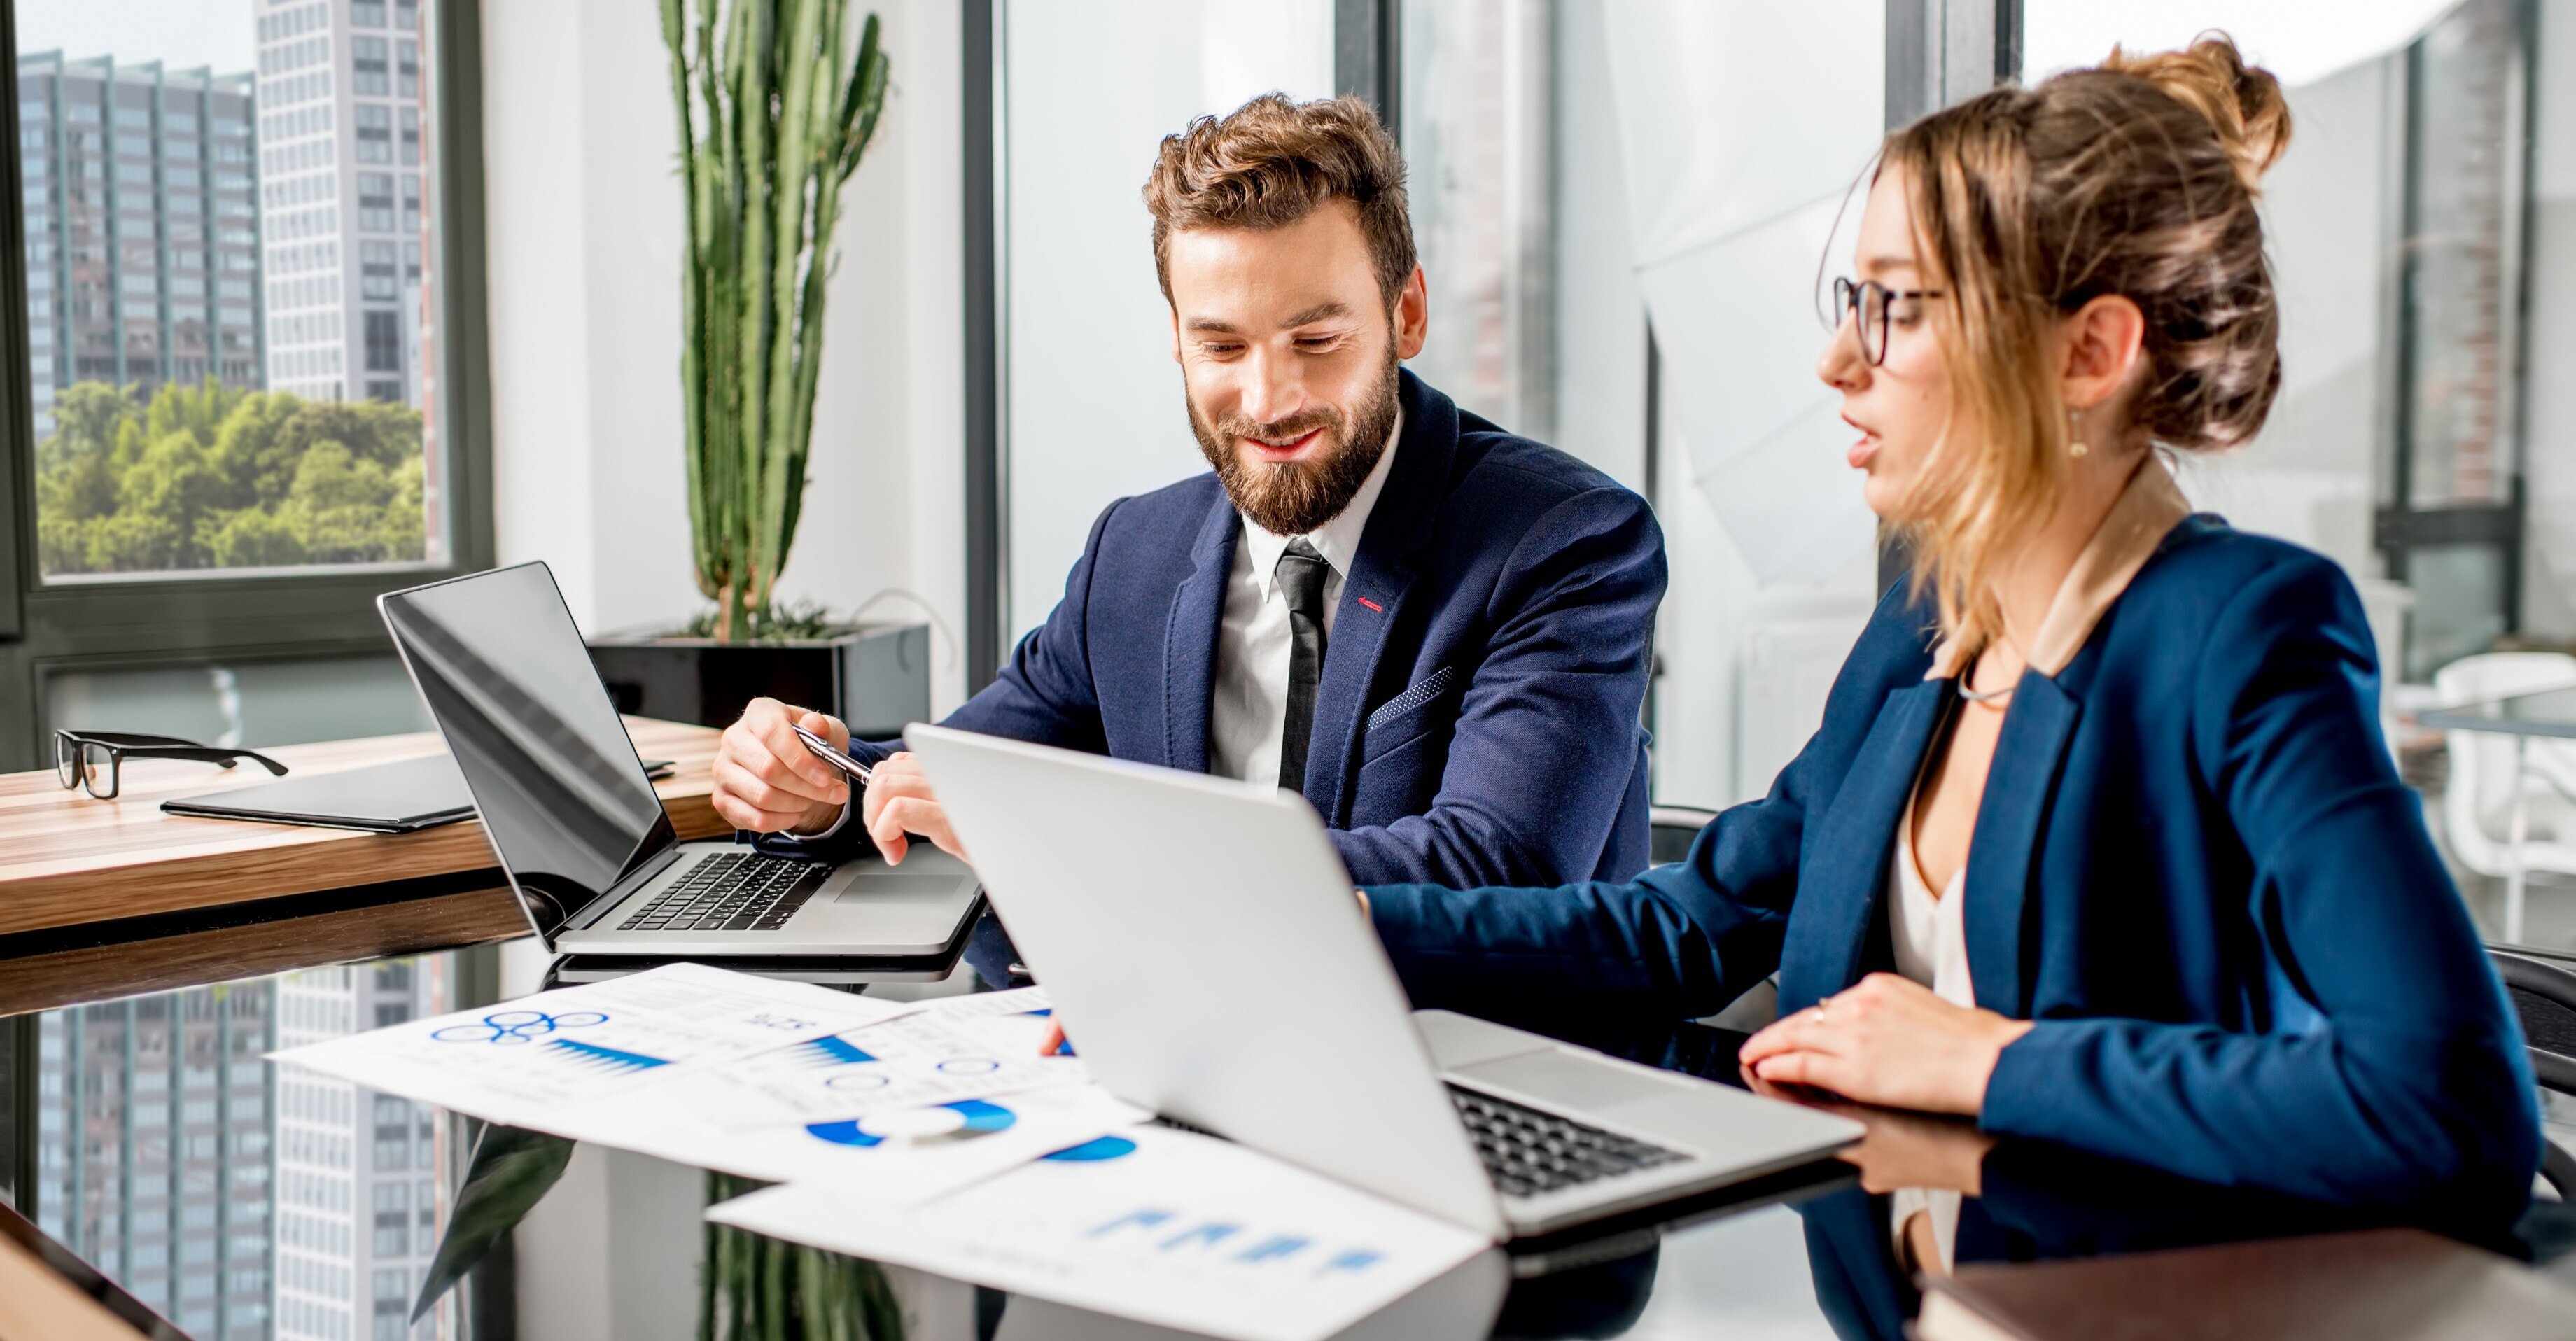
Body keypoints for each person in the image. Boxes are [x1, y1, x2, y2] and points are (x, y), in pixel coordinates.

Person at [1355, 36, 2540, 1237]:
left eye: (1896, 309)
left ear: (2090, 353)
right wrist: (1345, 921)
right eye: (1848, 302)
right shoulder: (1926, 623)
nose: (1836, 363)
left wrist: (1984, 1063)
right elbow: (1688, 929)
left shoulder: (2244, 636)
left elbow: (2452, 1108)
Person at [709, 93, 1666, 890]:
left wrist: (1077, 853)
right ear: (1175, 336)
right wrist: (819, 781)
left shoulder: (1566, 542)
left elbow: (1496, 869)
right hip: (1167, 1063)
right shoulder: (1136, 552)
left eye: (1317, 339)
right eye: (1221, 344)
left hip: (1471, 1067)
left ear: (1406, 313)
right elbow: (967, 778)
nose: (1268, 399)